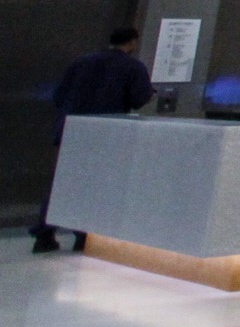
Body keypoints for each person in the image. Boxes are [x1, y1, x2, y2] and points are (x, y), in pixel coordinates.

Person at [33, 26, 152, 254]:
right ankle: (84, 235)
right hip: (107, 135)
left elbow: (59, 95)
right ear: (133, 43)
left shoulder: (81, 62)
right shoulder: (133, 66)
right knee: (97, 186)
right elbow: (139, 98)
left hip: (71, 131)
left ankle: (44, 234)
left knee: (61, 184)